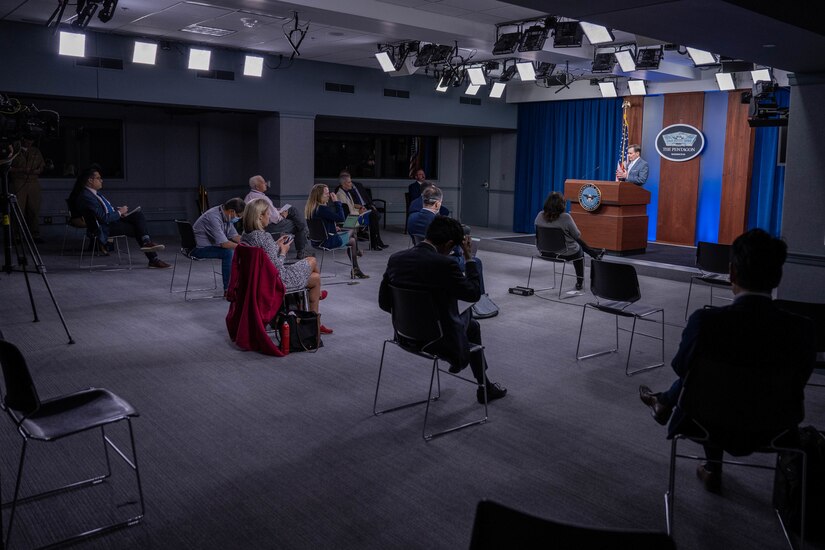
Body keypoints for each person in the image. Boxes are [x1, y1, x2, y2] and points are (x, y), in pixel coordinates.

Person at [639, 229, 815, 492]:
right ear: (777, 277)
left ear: (731, 272)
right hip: (775, 425)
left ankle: (710, 464)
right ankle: (667, 407)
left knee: (705, 383)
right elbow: (800, 378)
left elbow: (681, 368)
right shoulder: (801, 329)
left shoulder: (705, 322)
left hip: (706, 421)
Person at [379, 216, 507, 404]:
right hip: (436, 340)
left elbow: (384, 303)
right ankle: (475, 377)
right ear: (448, 244)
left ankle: (483, 383)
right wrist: (469, 258)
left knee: (470, 325)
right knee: (470, 316)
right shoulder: (445, 265)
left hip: (403, 335)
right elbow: (473, 294)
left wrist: (414, 316)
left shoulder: (396, 259)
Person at [241, 199, 332, 334]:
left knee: (316, 278)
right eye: (268, 214)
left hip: (259, 280)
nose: (269, 217)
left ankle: (314, 321)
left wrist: (276, 245)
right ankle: (315, 321)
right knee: (312, 260)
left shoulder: (246, 236)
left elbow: (263, 258)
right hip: (277, 280)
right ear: (260, 216)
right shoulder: (263, 237)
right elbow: (276, 267)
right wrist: (283, 252)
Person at [72, 167, 170, 269]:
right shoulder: (87, 196)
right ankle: (152, 257)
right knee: (137, 228)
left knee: (138, 215)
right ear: (90, 180)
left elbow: (105, 210)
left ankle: (147, 243)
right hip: (103, 228)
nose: (102, 180)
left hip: (110, 221)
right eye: (98, 178)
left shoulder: (93, 194)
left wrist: (117, 210)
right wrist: (119, 212)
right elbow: (103, 218)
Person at [534, 192, 605, 290]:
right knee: (578, 248)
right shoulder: (565, 217)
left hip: (544, 252)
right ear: (561, 205)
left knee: (574, 242)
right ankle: (579, 282)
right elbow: (577, 235)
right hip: (564, 253)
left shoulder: (539, 215)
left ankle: (594, 253)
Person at [305, 183, 368, 279]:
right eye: (326, 193)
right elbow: (341, 218)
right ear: (319, 196)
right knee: (353, 234)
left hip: (317, 241)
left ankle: (356, 267)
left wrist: (333, 228)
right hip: (327, 242)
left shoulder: (311, 208)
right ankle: (356, 266)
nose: (329, 195)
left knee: (352, 237)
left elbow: (321, 225)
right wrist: (337, 202)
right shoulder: (322, 209)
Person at [244, 175, 312, 260]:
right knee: (298, 225)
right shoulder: (263, 198)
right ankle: (303, 246)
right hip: (269, 225)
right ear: (257, 187)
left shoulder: (248, 197)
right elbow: (275, 218)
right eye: (263, 182)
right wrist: (283, 215)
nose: (266, 184)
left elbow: (269, 213)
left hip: (257, 224)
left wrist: (277, 210)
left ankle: (306, 231)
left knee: (292, 211)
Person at [192, 198, 245, 292]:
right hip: (198, 249)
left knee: (238, 251)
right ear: (231, 211)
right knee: (228, 253)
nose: (239, 219)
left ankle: (239, 284)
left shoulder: (226, 216)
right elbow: (224, 244)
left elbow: (234, 236)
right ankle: (228, 290)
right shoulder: (213, 217)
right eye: (238, 216)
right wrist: (245, 248)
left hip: (209, 246)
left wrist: (250, 243)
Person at [335, 170, 388, 251]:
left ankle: (375, 243)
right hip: (350, 221)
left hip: (354, 216)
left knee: (372, 214)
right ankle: (375, 243)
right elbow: (346, 212)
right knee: (373, 216)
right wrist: (359, 212)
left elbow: (351, 205)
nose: (351, 184)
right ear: (343, 184)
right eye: (349, 182)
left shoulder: (347, 192)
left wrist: (360, 207)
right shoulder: (340, 194)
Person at [9, 136, 45, 243]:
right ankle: (17, 236)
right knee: (18, 209)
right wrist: (21, 169)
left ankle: (34, 235)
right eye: (28, 140)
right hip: (19, 181)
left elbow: (41, 166)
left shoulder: (36, 151)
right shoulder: (15, 150)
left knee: (34, 209)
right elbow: (7, 166)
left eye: (31, 140)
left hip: (33, 182)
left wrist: (37, 171)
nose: (29, 142)